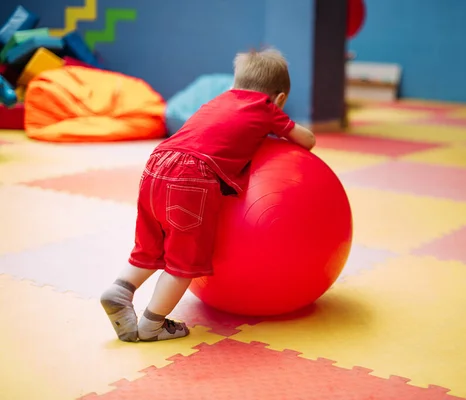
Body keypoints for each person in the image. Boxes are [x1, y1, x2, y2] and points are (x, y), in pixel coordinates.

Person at [100, 48, 316, 342]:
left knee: (151, 247)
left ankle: (120, 289)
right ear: (279, 99)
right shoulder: (266, 108)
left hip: (155, 164)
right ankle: (152, 324)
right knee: (183, 263)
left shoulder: (216, 101)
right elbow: (308, 140)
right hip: (192, 178)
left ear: (233, 86)